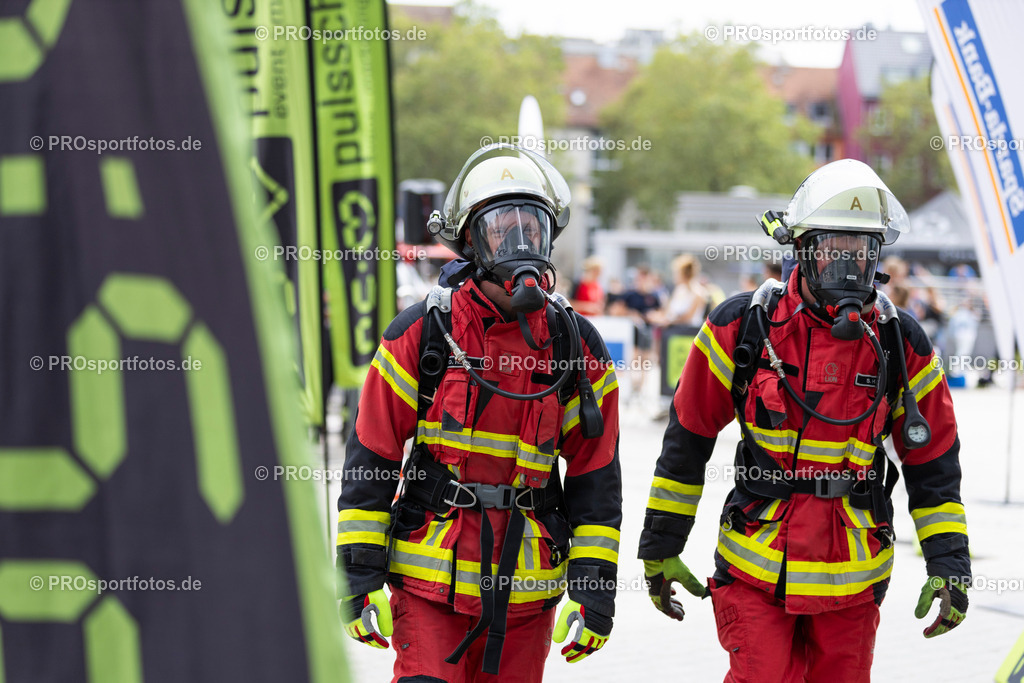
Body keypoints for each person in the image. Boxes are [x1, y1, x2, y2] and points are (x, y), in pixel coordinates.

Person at [639, 159, 970, 682]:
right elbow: (688, 438)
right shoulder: (743, 325)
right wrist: (661, 546)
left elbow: (933, 462)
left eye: (860, 251)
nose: (848, 266)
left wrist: (949, 563)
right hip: (755, 568)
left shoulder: (899, 342)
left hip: (853, 581)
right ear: (802, 248)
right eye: (833, 249)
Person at [336, 144, 622, 682]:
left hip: (527, 590)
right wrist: (357, 577)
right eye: (502, 227)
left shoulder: (575, 344)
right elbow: (371, 458)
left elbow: (595, 475)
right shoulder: (422, 333)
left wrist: (594, 591)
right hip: (429, 584)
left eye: (532, 227)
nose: (521, 242)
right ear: (471, 240)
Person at [663, 254, 709, 327]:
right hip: (673, 332)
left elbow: (688, 318)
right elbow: (669, 312)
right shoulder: (679, 290)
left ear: (684, 274)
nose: (674, 276)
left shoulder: (699, 293)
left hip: (689, 333)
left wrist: (669, 321)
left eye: (676, 273)